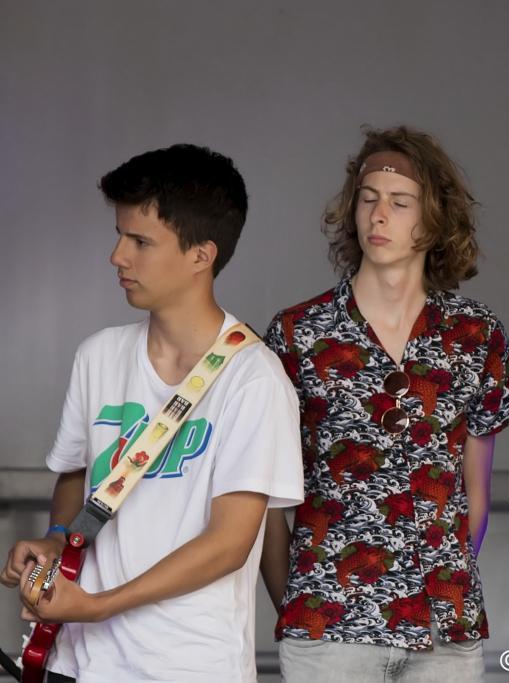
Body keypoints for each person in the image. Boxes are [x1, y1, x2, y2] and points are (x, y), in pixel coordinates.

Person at [0, 143, 304, 682]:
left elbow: (229, 545)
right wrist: (55, 538)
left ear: (201, 255)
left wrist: (99, 605)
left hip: (190, 666)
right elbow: (76, 473)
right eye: (120, 235)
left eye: (140, 241)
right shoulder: (98, 355)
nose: (117, 256)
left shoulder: (254, 379)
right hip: (80, 662)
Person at [261, 125, 509, 682]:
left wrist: (445, 579)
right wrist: (299, 604)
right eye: (368, 199)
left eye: (400, 203)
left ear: (434, 219)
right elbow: (262, 496)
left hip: (444, 631)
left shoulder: (476, 335)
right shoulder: (297, 334)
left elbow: (475, 495)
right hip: (328, 625)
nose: (379, 216)